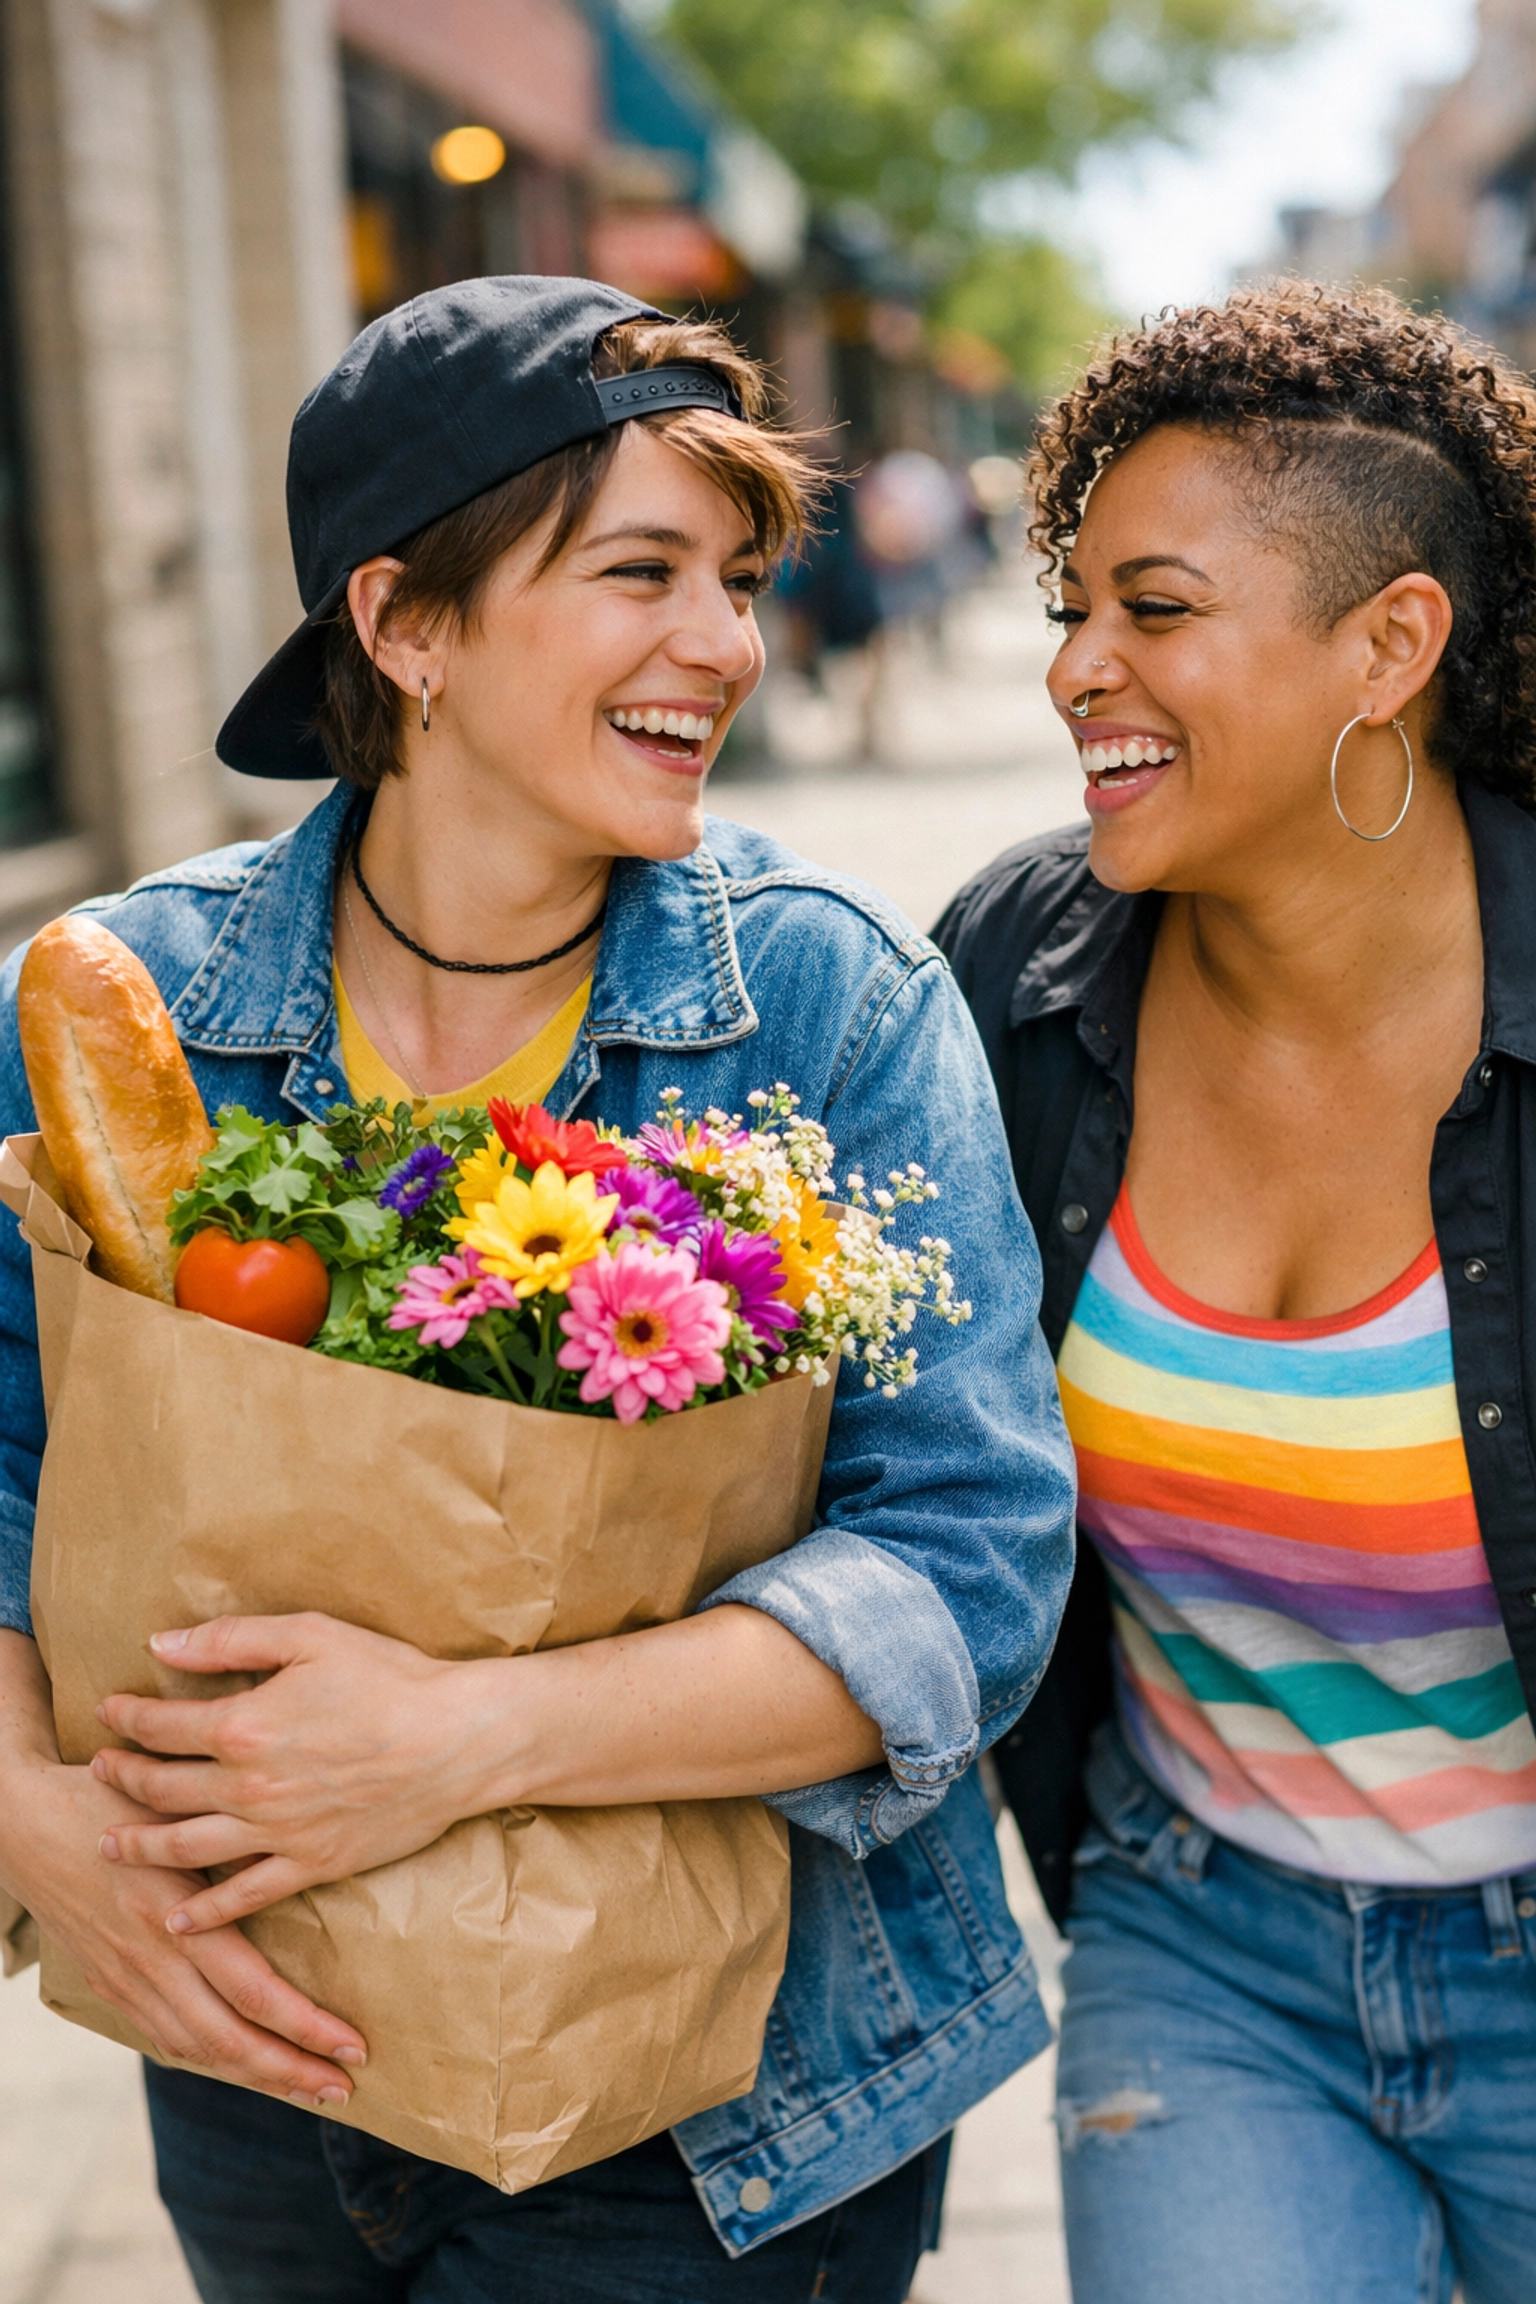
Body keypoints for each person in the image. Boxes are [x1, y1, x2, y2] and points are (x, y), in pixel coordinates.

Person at [0, 276, 1075, 2302]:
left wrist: (461, 1737)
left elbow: (971, 1567)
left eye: (739, 577)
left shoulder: (829, 1003)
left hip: (724, 2098)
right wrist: (41, 1838)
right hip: (255, 2066)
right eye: (644, 573)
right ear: (405, 625)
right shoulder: (112, 1017)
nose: (730, 644)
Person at [938, 280, 1536, 2304]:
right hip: (1206, 1944)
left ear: (1391, 645)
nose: (1075, 670)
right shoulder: (1016, 982)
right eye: (1072, 606)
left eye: (1156, 610)